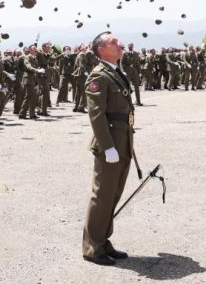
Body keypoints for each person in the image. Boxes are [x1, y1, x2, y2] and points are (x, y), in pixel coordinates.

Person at [82, 32, 134, 266]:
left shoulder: (115, 72)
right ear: (101, 49)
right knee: (101, 196)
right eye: (114, 42)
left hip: (123, 141)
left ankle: (103, 241)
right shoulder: (98, 76)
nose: (120, 44)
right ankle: (93, 248)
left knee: (113, 195)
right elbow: (96, 115)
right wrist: (108, 146)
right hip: (110, 144)